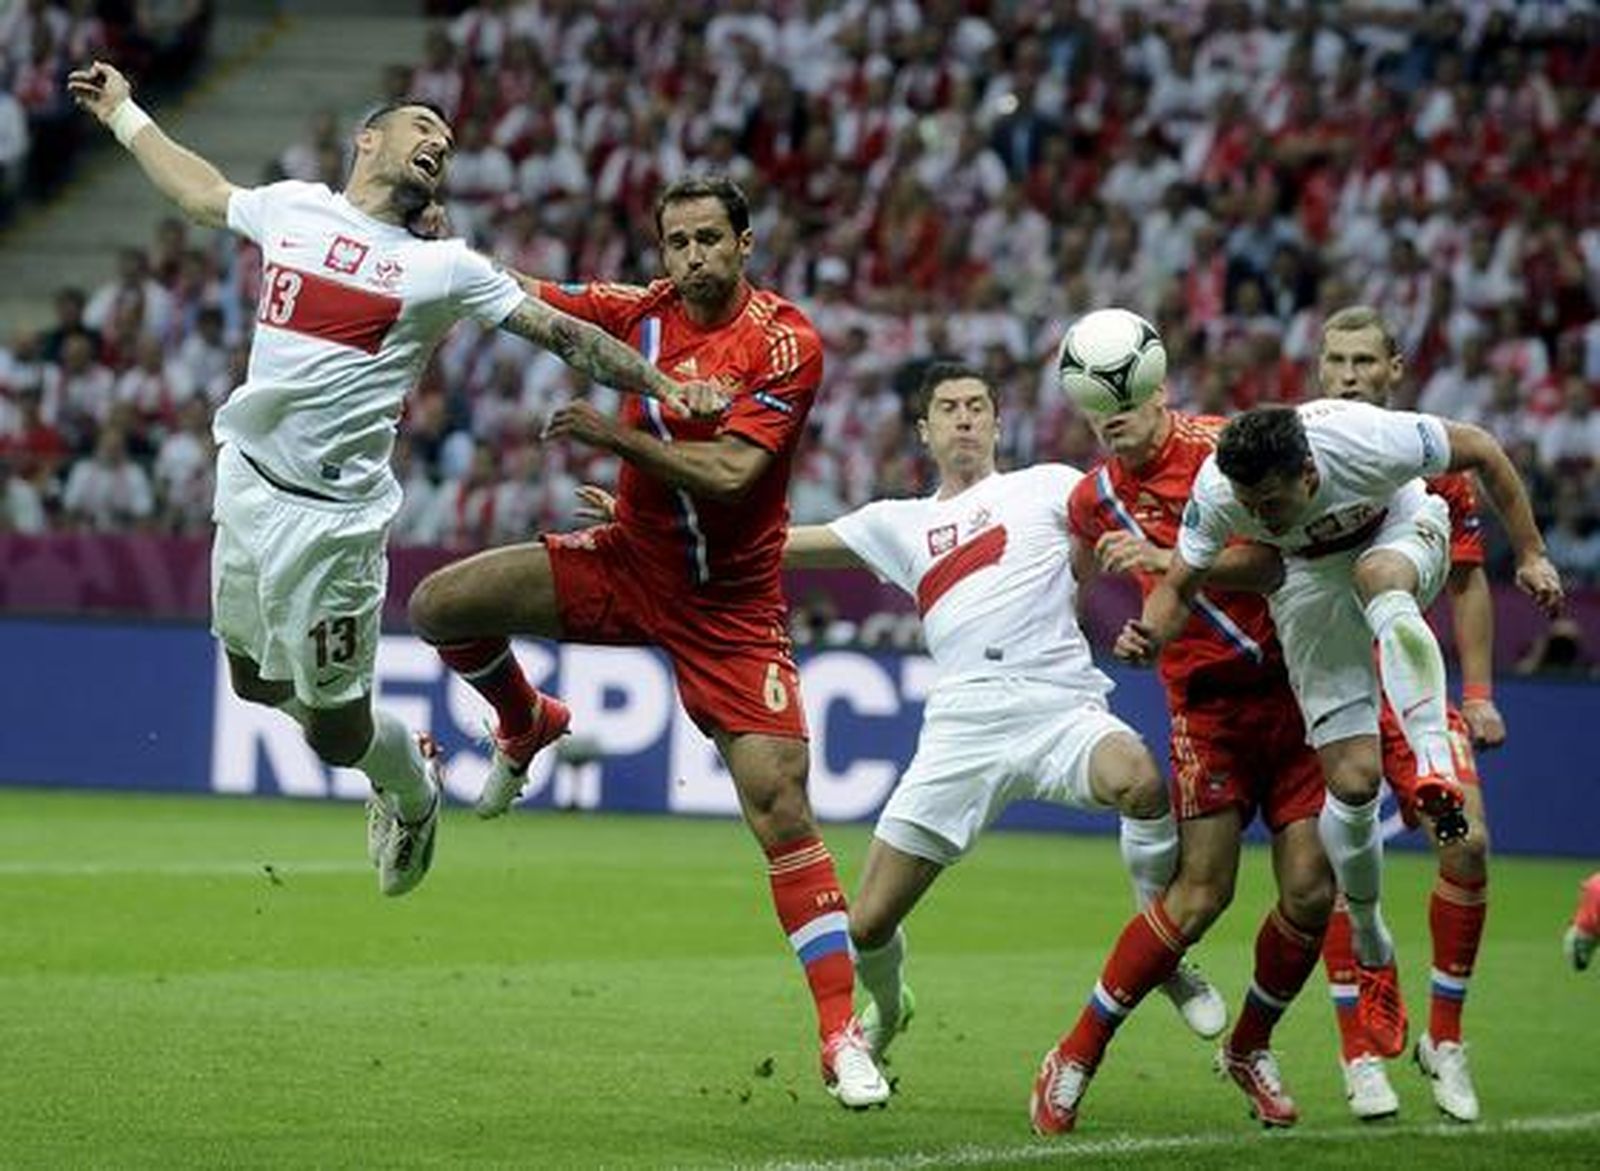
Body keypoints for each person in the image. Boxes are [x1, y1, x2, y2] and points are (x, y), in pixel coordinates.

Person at [66, 62, 713, 898]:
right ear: (368, 139)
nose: (439, 143)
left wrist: (666, 387)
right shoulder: (296, 206)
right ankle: (411, 761)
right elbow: (201, 191)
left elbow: (563, 335)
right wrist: (123, 112)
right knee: (252, 681)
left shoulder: (445, 268)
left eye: (447, 142)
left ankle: (410, 787)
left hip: (333, 525)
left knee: (335, 736)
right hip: (249, 486)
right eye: (423, 129)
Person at [578, 363, 1244, 1120]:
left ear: (998, 423)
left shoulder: (1053, 485)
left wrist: (1132, 591)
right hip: (962, 726)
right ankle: (890, 1013)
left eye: (978, 407)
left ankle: (1162, 955)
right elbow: (768, 544)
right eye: (949, 409)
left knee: (1141, 778)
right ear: (924, 431)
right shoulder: (895, 521)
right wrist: (651, 533)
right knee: (866, 925)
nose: (965, 418)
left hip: (1060, 704)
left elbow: (1132, 536)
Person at [404, 174, 890, 1109]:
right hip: (629, 561)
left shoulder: (786, 343)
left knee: (780, 805)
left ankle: (839, 1036)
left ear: (746, 244)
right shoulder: (644, 312)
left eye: (710, 238)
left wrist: (613, 439)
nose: (693, 256)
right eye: (677, 241)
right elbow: (520, 291)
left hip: (731, 606)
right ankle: (527, 720)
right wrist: (437, 245)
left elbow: (732, 473)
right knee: (438, 606)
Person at [1115, 395, 1563, 1123]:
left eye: (1273, 498)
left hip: (1398, 529)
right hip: (1309, 584)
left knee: (1382, 579)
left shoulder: (1369, 441)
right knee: (1349, 784)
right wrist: (1150, 632)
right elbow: (1180, 585)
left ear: (1309, 471)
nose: (1261, 510)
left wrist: (1535, 552)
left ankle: (1430, 766)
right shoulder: (1219, 491)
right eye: (1250, 501)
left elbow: (1481, 445)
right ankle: (1371, 937)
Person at [1067, 364, 1335, 1129]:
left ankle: (1249, 1046)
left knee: (1313, 891)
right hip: (1209, 706)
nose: (1112, 418)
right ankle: (1077, 1052)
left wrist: (1166, 561)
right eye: (1096, 409)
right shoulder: (1093, 501)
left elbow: (1275, 558)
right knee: (1200, 894)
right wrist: (1148, 630)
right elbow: (1160, 599)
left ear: (1159, 390)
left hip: (1294, 688)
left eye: (1124, 401)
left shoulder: (1224, 449)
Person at [1316, 306, 1500, 1123]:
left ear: (1394, 368)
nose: (1348, 374)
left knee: (1468, 849)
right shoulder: (1302, 453)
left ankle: (1446, 1038)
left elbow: (1466, 578)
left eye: (1363, 360)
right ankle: (1359, 1053)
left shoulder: (1434, 462)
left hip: (1410, 689)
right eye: (1335, 360)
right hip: (1329, 693)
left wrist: (1480, 694)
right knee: (1323, 876)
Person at [1564, 873, 1600, 972]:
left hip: (1586, 930)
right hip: (1585, 931)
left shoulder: (1595, 880)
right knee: (1577, 963)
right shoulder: (1596, 881)